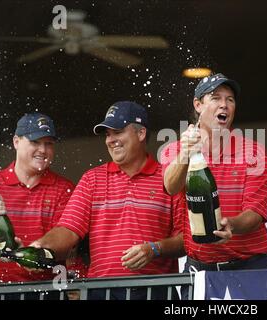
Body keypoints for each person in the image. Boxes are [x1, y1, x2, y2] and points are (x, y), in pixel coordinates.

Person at [33, 101, 186, 300]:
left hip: (155, 290)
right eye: (107, 134)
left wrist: (155, 249)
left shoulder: (169, 178)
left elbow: (186, 240)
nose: (110, 140)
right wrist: (40, 247)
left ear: (141, 134)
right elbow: (68, 230)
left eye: (118, 131)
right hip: (101, 291)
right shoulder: (92, 179)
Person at [161, 73, 267, 298]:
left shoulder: (253, 152)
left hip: (249, 267)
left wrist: (231, 224)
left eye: (230, 99)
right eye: (215, 98)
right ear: (198, 105)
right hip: (199, 269)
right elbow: (171, 187)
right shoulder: (175, 150)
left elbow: (256, 213)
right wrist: (185, 153)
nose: (224, 104)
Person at [0, 112, 75, 298]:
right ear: (16, 141)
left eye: (49, 143)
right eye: (35, 142)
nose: (43, 149)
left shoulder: (64, 188)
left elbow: (66, 241)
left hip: (46, 289)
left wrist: (36, 251)